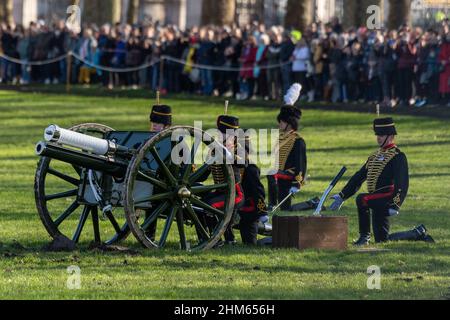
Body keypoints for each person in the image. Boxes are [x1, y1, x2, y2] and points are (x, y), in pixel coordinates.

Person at [329, 118, 434, 245]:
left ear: (390, 136)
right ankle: (416, 233)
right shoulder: (374, 156)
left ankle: (364, 237)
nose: (378, 138)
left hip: (388, 196)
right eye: (377, 135)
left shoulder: (398, 156)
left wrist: (396, 204)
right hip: (376, 198)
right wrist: (342, 195)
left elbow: (402, 183)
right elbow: (359, 177)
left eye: (381, 135)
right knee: (382, 240)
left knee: (362, 199)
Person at [267, 84, 307, 211]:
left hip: (289, 176)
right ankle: (272, 203)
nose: (279, 124)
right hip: (278, 173)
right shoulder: (279, 137)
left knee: (286, 208)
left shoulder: (298, 140)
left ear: (289, 123)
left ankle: (309, 205)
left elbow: (301, 164)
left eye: (282, 122)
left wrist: (297, 183)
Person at [145, 102, 173, 240]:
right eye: (153, 122)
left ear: (166, 126)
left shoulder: (176, 143)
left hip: (168, 185)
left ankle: (149, 235)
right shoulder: (146, 140)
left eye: (158, 123)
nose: (154, 125)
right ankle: (148, 234)